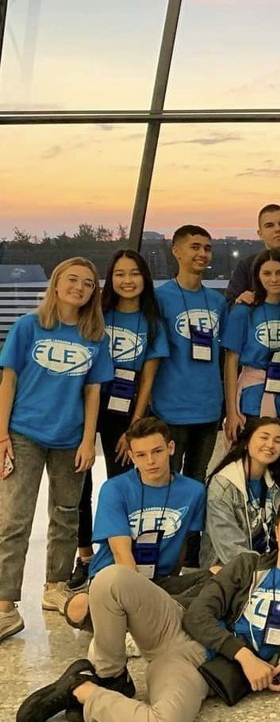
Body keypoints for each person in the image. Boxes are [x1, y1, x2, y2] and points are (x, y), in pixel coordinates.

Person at [16, 492, 280, 722]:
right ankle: (111, 676)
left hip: (202, 670)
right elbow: (198, 614)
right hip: (176, 627)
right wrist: (245, 655)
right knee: (110, 579)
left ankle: (83, 689)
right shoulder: (248, 565)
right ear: (277, 530)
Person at [0, 258, 114, 642]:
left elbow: (93, 392)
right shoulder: (28, 326)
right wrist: (1, 436)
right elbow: (8, 382)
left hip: (70, 437)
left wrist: (88, 440)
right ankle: (5, 606)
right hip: (24, 433)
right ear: (56, 283)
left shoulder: (95, 336)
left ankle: (55, 586)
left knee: (66, 516)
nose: (79, 288)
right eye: (72, 280)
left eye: (87, 283)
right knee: (14, 519)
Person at [74, 250, 169, 589]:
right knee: (80, 484)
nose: (127, 281)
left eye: (134, 273)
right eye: (119, 274)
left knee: (123, 484)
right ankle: (85, 555)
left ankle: (120, 555)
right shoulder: (97, 314)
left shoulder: (152, 322)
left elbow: (148, 377)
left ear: (145, 278)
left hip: (127, 411)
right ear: (110, 279)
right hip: (87, 402)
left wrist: (134, 428)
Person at [63, 417, 210, 633]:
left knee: (214, 578)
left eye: (157, 451)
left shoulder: (194, 491)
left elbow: (183, 545)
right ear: (132, 456)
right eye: (141, 455)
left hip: (160, 581)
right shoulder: (114, 489)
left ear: (170, 448)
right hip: (117, 580)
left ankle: (133, 624)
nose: (150, 461)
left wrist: (171, 582)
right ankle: (159, 618)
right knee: (77, 608)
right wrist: (141, 600)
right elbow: (121, 554)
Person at [150, 225, 228, 483]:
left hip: (208, 408)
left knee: (197, 478)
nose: (202, 254)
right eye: (195, 247)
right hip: (170, 409)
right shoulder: (160, 298)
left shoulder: (217, 301)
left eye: (207, 248)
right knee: (167, 479)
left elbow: (224, 352)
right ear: (176, 251)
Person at [201, 417, 280, 567]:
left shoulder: (278, 482)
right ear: (247, 442)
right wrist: (272, 570)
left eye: (278, 441)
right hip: (233, 569)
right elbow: (231, 550)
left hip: (276, 564)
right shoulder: (223, 485)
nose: (270, 445)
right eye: (264, 437)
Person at [223, 250, 280, 443]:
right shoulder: (243, 312)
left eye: (279, 272)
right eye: (267, 273)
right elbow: (230, 363)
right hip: (252, 399)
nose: (274, 279)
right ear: (258, 277)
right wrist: (231, 412)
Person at [225, 204, 280, 305]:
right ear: (260, 234)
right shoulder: (246, 267)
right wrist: (239, 301)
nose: (277, 229)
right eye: (270, 226)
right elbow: (228, 306)